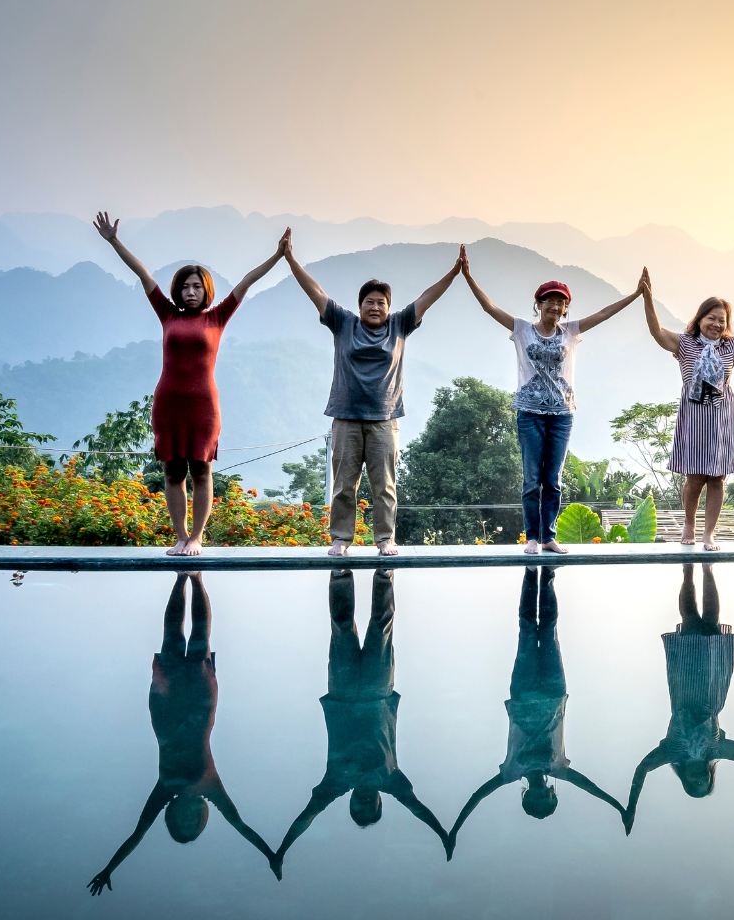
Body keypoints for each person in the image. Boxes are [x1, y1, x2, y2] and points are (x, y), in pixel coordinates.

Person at [92, 213, 289, 556]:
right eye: (186, 286)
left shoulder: (218, 316)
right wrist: (113, 241)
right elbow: (143, 274)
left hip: (203, 407)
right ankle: (180, 535)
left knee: (201, 471)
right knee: (172, 473)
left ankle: (197, 537)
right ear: (178, 292)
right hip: (169, 403)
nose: (191, 291)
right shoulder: (167, 313)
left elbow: (246, 281)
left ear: (206, 289)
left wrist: (277, 256)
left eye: (197, 286)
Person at [88, 573, 277, 895]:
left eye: (182, 825)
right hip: (201, 703)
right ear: (202, 818)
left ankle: (180, 580)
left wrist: (109, 867)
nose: (188, 819)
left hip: (166, 706)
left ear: (173, 818)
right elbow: (241, 826)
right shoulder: (212, 789)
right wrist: (270, 853)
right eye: (194, 825)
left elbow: (137, 835)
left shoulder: (165, 790)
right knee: (201, 639)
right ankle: (198, 579)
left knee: (171, 639)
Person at [281, 239, 466, 557]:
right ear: (360, 304)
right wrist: (290, 258)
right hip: (346, 418)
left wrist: (454, 273)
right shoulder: (343, 323)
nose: (376, 307)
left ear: (389, 307)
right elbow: (315, 291)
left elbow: (426, 298)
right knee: (344, 484)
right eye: (370, 301)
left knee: (384, 486)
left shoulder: (400, 325)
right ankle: (341, 537)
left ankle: (385, 539)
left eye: (382, 302)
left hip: (384, 420)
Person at [462, 264, 646, 553]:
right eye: (550, 301)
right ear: (539, 304)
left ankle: (548, 537)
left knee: (554, 480)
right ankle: (532, 537)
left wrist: (635, 295)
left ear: (566, 308)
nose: (556, 306)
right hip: (530, 413)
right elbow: (489, 308)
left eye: (561, 302)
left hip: (562, 414)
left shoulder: (571, 331)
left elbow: (603, 314)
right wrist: (469, 277)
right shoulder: (522, 329)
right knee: (532, 478)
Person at [274, 569, 449, 868]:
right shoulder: (390, 781)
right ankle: (384, 572)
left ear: (352, 801)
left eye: (360, 806)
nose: (366, 802)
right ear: (380, 801)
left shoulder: (337, 784)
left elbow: (307, 815)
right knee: (381, 626)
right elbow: (417, 808)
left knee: (342, 627)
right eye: (372, 806)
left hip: (342, 691)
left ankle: (340, 572)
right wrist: (442, 834)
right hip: (377, 691)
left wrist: (282, 850)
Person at [450, 567, 625, 842]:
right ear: (552, 792)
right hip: (554, 693)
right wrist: (617, 807)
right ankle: (549, 576)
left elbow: (478, 796)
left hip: (523, 693)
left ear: (527, 794)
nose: (541, 791)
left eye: (536, 796)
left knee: (527, 629)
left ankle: (531, 574)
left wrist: (456, 829)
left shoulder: (511, 772)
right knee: (550, 626)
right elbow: (590, 787)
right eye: (546, 795)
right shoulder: (559, 770)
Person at [640, 272, 734, 549]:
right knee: (695, 477)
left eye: (722, 320)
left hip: (722, 416)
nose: (716, 323)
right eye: (711, 317)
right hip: (695, 415)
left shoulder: (731, 347)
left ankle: (709, 533)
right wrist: (647, 297)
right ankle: (689, 526)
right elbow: (657, 332)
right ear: (699, 319)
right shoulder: (685, 344)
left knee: (718, 479)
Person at [622, 563, 734, 832]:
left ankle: (688, 572)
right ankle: (708, 570)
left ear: (686, 780)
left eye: (694, 784)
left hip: (685, 684)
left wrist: (631, 806)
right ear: (710, 777)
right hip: (712, 685)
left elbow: (641, 770)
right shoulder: (717, 751)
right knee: (711, 620)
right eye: (705, 783)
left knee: (690, 621)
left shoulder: (670, 754)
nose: (699, 779)